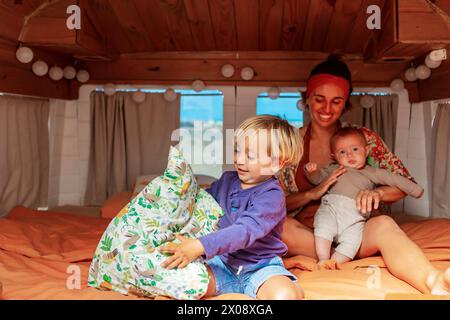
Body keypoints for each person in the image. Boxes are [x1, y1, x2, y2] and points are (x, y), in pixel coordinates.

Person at [279, 54, 450, 295]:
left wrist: (377, 192)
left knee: (385, 224)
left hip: (358, 232)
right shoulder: (291, 144)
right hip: (312, 238)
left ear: (346, 102)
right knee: (279, 226)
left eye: (336, 101)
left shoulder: (364, 139)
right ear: (307, 98)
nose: (327, 109)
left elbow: (404, 183)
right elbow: (276, 202)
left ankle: (434, 282)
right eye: (319, 99)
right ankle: (327, 256)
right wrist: (312, 193)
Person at [159, 115, 304, 299]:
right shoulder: (227, 180)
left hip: (259, 267)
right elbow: (203, 205)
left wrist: (200, 245)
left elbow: (244, 231)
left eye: (250, 155)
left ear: (277, 163)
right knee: (171, 278)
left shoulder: (272, 195)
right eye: (237, 151)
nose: (240, 160)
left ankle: (292, 287)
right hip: (220, 264)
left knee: (283, 295)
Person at [305, 127, 423, 265]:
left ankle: (334, 263)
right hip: (331, 208)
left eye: (355, 149)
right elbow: (317, 179)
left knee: (353, 241)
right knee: (323, 227)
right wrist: (311, 171)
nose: (350, 155)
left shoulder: (372, 172)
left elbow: (396, 179)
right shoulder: (334, 169)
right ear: (334, 157)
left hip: (356, 216)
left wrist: (417, 190)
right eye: (342, 152)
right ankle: (323, 258)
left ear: (366, 151)